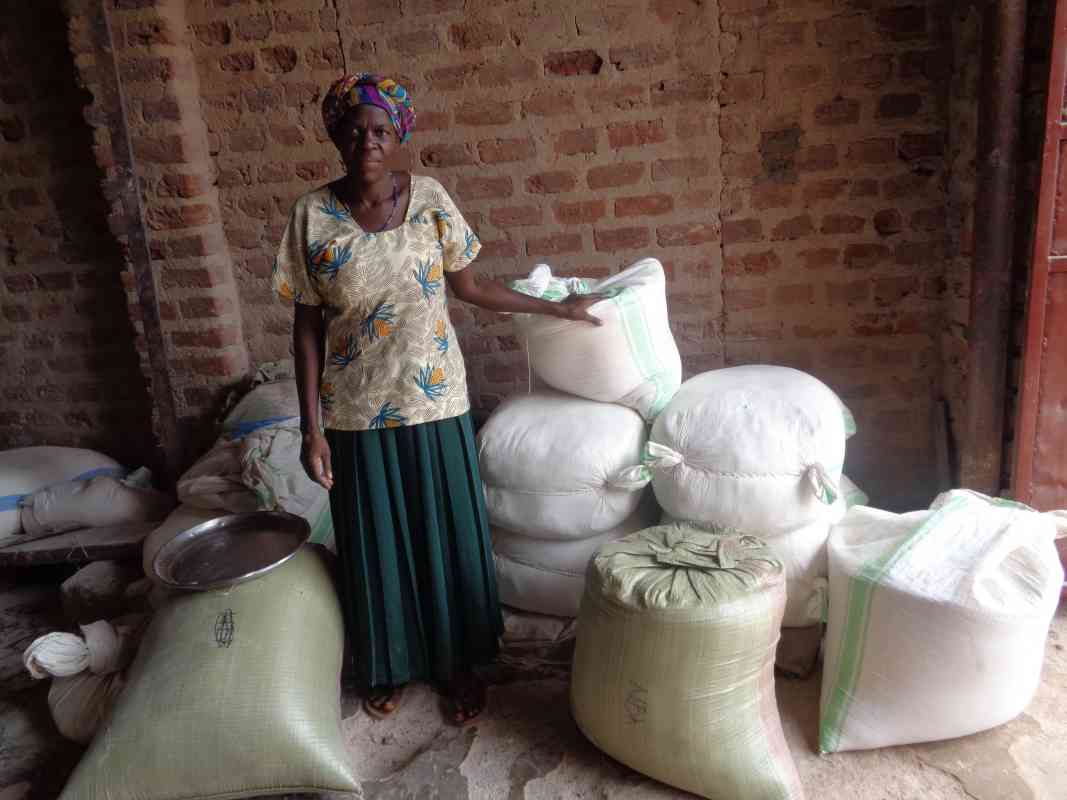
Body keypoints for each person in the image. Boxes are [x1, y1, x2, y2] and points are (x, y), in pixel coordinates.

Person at [272, 73, 602, 726]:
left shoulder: (430, 199)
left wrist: (555, 307)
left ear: (398, 138)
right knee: (375, 542)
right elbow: (305, 327)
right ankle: (388, 661)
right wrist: (310, 430)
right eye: (356, 128)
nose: (368, 139)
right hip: (354, 411)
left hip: (435, 403)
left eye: (381, 130)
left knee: (443, 534)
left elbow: (472, 289)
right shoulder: (310, 214)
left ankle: (459, 666)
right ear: (337, 135)